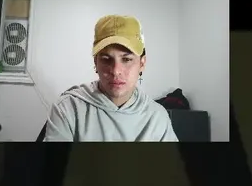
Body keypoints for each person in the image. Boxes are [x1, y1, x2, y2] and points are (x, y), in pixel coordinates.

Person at [42, 15, 177, 142]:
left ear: (142, 63)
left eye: (126, 59)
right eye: (106, 59)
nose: (116, 71)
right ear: (96, 63)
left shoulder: (157, 117)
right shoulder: (68, 108)